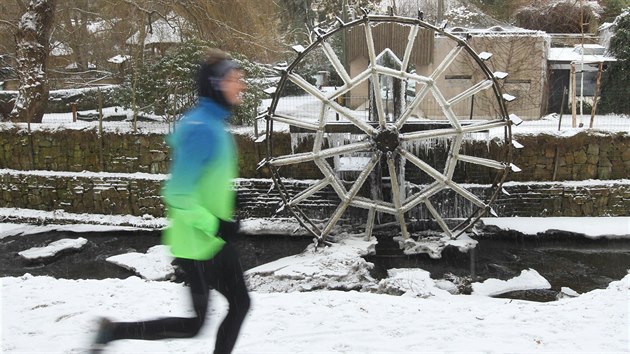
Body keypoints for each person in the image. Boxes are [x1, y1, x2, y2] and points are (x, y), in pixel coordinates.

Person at [90, 49, 250, 354]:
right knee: (211, 318)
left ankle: (112, 331)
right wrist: (216, 224)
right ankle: (112, 331)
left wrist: (228, 199)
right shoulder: (202, 129)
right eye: (233, 79)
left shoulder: (210, 123)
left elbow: (202, 180)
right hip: (200, 243)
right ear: (216, 84)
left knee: (224, 312)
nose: (240, 85)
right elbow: (177, 193)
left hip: (204, 241)